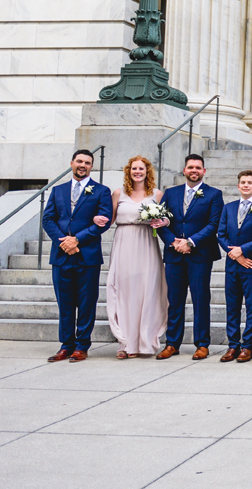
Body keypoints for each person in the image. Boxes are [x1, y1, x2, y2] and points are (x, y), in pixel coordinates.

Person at [43, 149, 113, 362]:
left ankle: (82, 345)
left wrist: (78, 240)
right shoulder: (58, 190)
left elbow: (104, 221)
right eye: (79, 161)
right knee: (64, 303)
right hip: (61, 255)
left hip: (87, 256)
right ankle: (66, 345)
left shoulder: (101, 191)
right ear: (72, 163)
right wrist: (63, 241)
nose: (83, 165)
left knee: (86, 302)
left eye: (88, 162)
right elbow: (48, 219)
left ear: (92, 166)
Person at [157, 154, 224, 360]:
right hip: (174, 254)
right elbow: (159, 220)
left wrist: (190, 242)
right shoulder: (170, 193)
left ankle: (202, 344)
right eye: (190, 167)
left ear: (204, 171)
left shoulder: (214, 194)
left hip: (200, 254)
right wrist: (173, 241)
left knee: (200, 299)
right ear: (184, 170)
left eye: (198, 167)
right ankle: (172, 343)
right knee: (174, 300)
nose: (194, 170)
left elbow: (213, 225)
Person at [106, 156, 168, 359]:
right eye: (134, 168)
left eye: (141, 168)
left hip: (147, 243)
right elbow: (110, 219)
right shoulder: (118, 193)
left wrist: (164, 221)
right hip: (124, 242)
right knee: (124, 291)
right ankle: (125, 343)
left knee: (147, 291)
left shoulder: (157, 194)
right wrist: (97, 219)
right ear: (128, 170)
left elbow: (167, 217)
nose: (137, 171)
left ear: (147, 170)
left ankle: (145, 341)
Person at [216, 170, 252, 362]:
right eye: (243, 182)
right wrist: (235, 255)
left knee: (251, 306)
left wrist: (243, 250)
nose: (246, 185)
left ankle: (247, 346)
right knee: (232, 306)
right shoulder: (228, 208)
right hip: (233, 265)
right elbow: (221, 234)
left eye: (250, 182)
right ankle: (233, 345)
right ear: (238, 186)